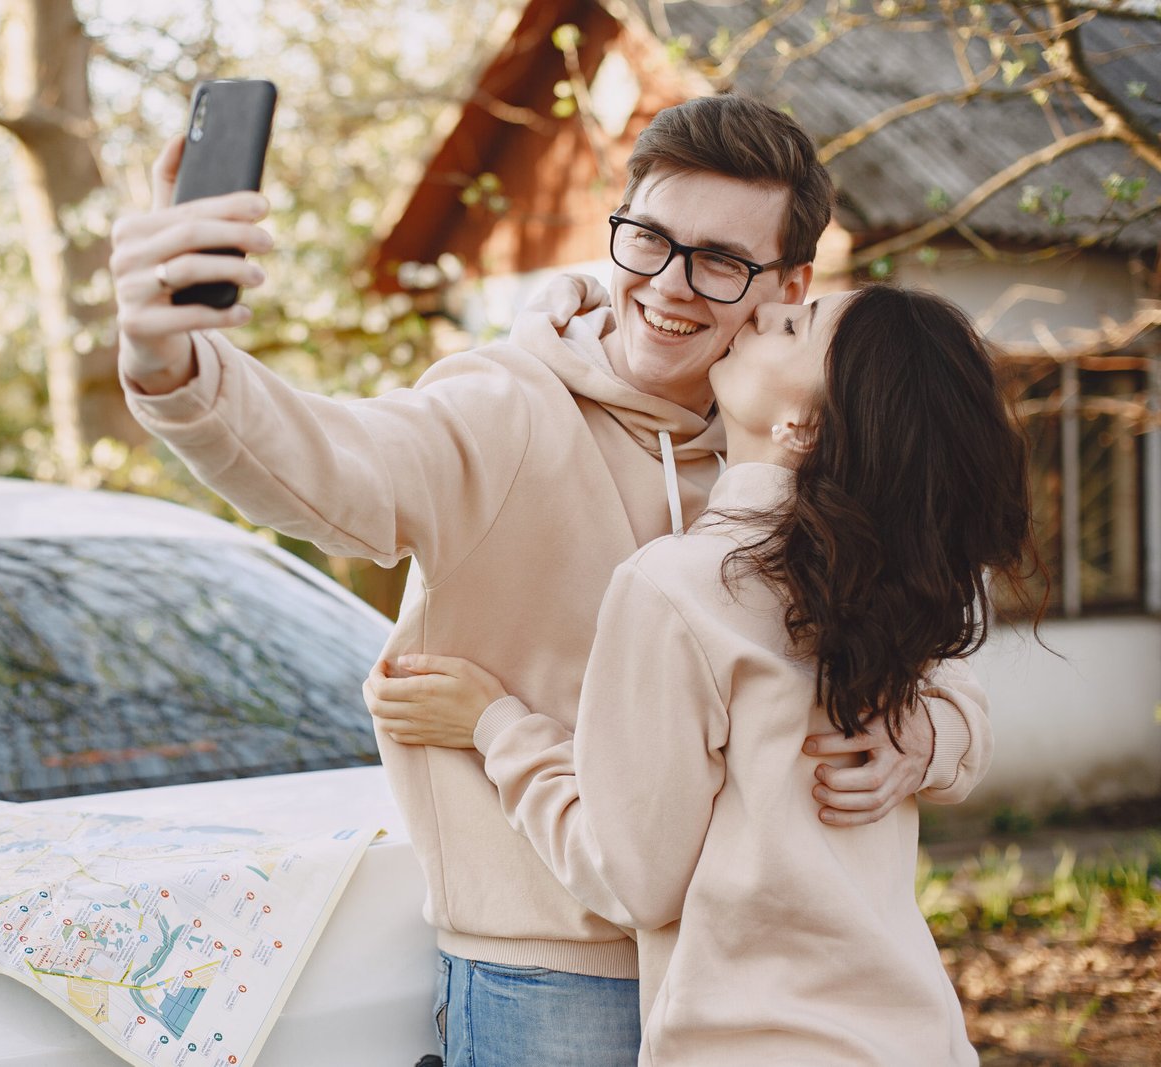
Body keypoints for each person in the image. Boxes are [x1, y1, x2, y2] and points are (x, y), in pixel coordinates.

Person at [111, 94, 991, 1066]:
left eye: (720, 261)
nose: (671, 284)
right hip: (546, 979)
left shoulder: (811, 460)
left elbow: (922, 636)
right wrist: (174, 363)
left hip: (744, 992)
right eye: (648, 238)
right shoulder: (502, 407)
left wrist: (931, 738)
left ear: (786, 283)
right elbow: (326, 464)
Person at [367, 285, 1038, 1065]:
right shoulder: (881, 589)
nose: (756, 314)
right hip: (918, 1038)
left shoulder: (680, 587)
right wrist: (936, 740)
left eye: (792, 324)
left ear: (804, 424)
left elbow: (630, 880)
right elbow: (961, 701)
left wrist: (496, 726)